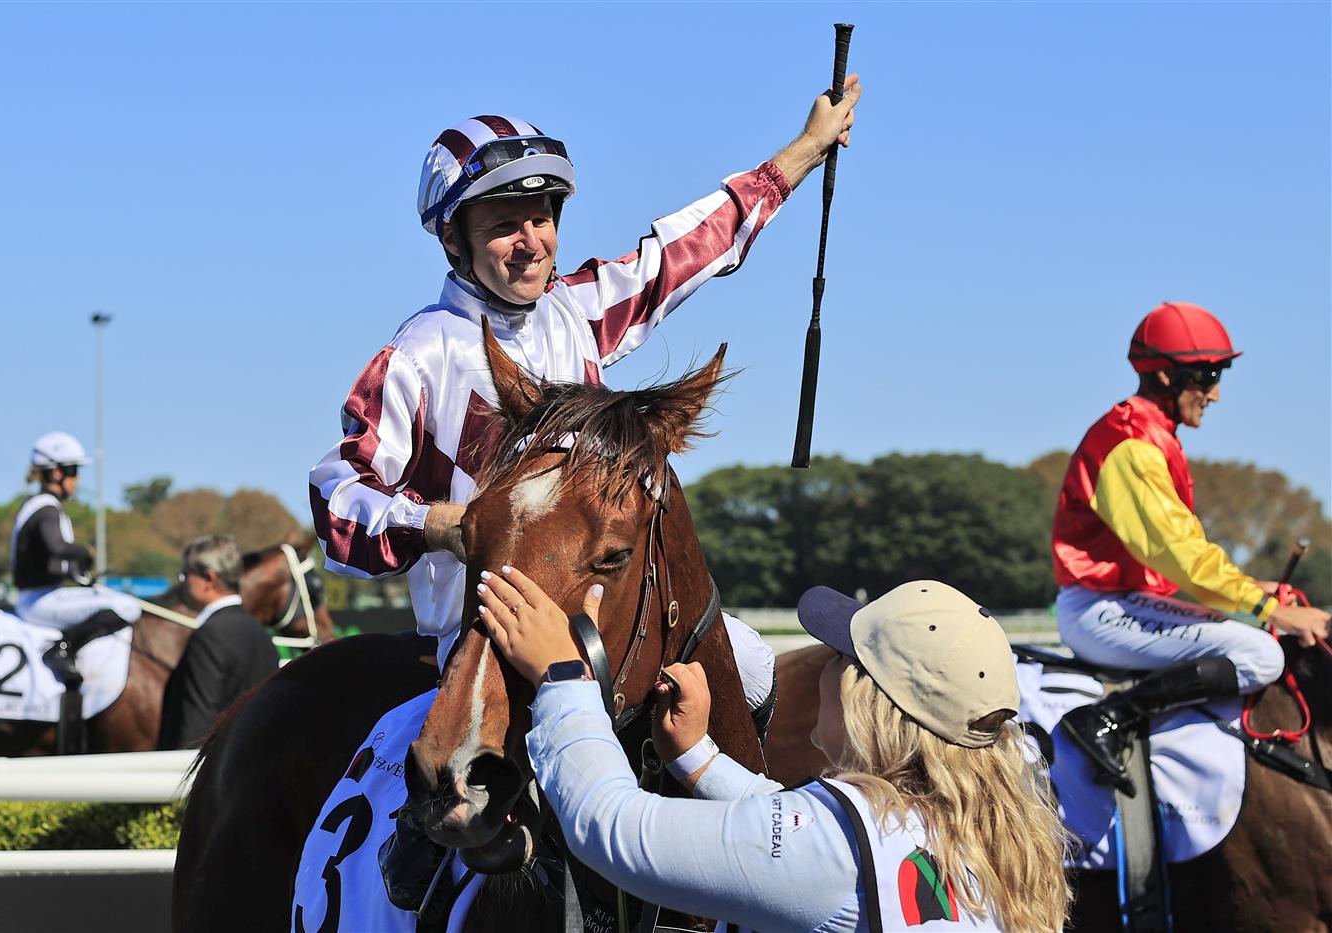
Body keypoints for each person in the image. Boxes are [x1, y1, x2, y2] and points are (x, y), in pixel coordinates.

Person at [306, 85, 860, 716]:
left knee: (754, 668)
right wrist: (446, 526)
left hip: (606, 630)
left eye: (541, 218)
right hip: (482, 649)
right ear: (452, 240)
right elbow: (335, 503)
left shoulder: (575, 310)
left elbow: (686, 250)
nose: (532, 241)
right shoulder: (416, 355)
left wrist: (805, 151)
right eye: (503, 226)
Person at [474, 566, 1070, 933]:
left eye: (841, 661)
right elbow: (803, 831)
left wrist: (562, 677)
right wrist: (698, 758)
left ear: (875, 701)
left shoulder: (831, 852)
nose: (824, 675)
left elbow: (611, 827)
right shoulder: (981, 827)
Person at [1052, 301, 1331, 791]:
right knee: (1263, 656)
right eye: (1207, 376)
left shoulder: (1153, 435)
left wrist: (1252, 590)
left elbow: (1170, 560)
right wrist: (1267, 609)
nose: (1216, 393)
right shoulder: (1131, 444)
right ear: (1164, 377)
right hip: (1099, 611)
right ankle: (1106, 719)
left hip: (1128, 602)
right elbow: (1182, 555)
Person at [14, 431, 140, 684]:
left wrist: (78, 575)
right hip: (39, 602)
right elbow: (57, 547)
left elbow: (49, 560)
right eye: (73, 471)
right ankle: (63, 649)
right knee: (126, 607)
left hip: (44, 595)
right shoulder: (47, 508)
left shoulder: (43, 506)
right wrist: (85, 553)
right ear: (56, 472)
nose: (77, 479)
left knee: (113, 599)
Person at [157, 534, 277, 749]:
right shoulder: (260, 633)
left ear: (209, 579)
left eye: (185, 575)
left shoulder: (210, 635)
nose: (182, 583)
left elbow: (195, 729)